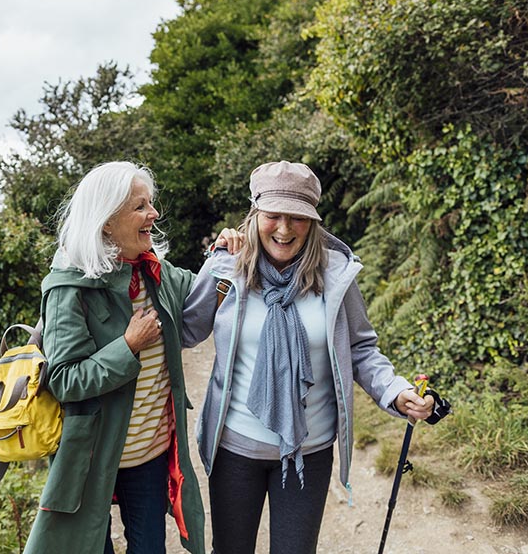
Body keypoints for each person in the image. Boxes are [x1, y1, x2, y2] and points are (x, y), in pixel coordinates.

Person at [183, 160, 435, 554]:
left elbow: (361, 349)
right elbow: (183, 330)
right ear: (254, 215)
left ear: (314, 222)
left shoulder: (336, 275)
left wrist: (396, 391)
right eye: (273, 216)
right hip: (234, 449)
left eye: (297, 217)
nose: (284, 229)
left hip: (310, 450)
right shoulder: (225, 269)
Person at [23, 161, 205, 554]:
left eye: (151, 204)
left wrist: (227, 252)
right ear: (106, 221)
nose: (153, 215)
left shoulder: (155, 273)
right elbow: (66, 380)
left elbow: (207, 290)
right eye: (140, 207)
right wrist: (128, 346)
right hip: (91, 457)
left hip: (149, 456)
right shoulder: (68, 289)